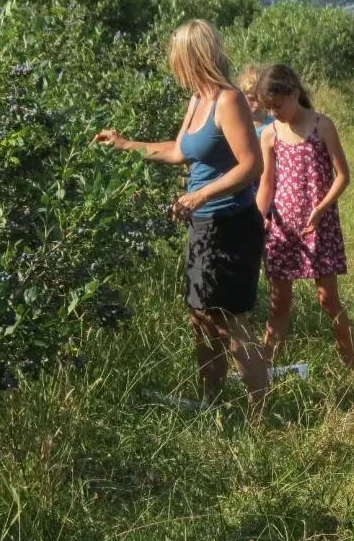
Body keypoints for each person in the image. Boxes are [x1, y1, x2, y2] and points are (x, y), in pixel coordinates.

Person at [95, 20, 268, 405]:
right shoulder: (197, 99)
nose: (174, 67)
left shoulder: (228, 100)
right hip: (205, 226)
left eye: (177, 58)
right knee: (202, 319)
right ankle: (212, 404)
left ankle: (261, 415)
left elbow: (251, 166)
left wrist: (201, 195)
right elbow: (177, 151)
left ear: (193, 57)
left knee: (231, 324)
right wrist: (126, 144)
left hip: (232, 226)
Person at [254, 64, 354, 368]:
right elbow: (266, 184)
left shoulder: (321, 125)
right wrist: (259, 218)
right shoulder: (269, 135)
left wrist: (321, 208)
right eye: (268, 108)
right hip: (282, 230)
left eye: (277, 105)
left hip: (319, 226)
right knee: (279, 304)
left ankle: (353, 365)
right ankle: (267, 372)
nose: (273, 113)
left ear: (294, 94)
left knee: (328, 300)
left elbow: (343, 176)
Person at [237, 64, 274, 138]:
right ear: (242, 96)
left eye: (260, 99)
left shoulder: (274, 125)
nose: (257, 104)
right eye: (251, 99)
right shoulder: (237, 123)